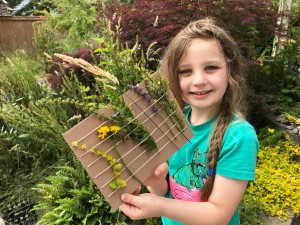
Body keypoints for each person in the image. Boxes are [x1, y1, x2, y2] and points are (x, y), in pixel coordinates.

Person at [120, 17, 259, 225]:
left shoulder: (238, 136)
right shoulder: (171, 122)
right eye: (185, 71)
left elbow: (219, 215)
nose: (199, 80)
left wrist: (159, 206)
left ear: (230, 71)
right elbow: (170, 191)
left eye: (211, 67)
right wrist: (156, 183)